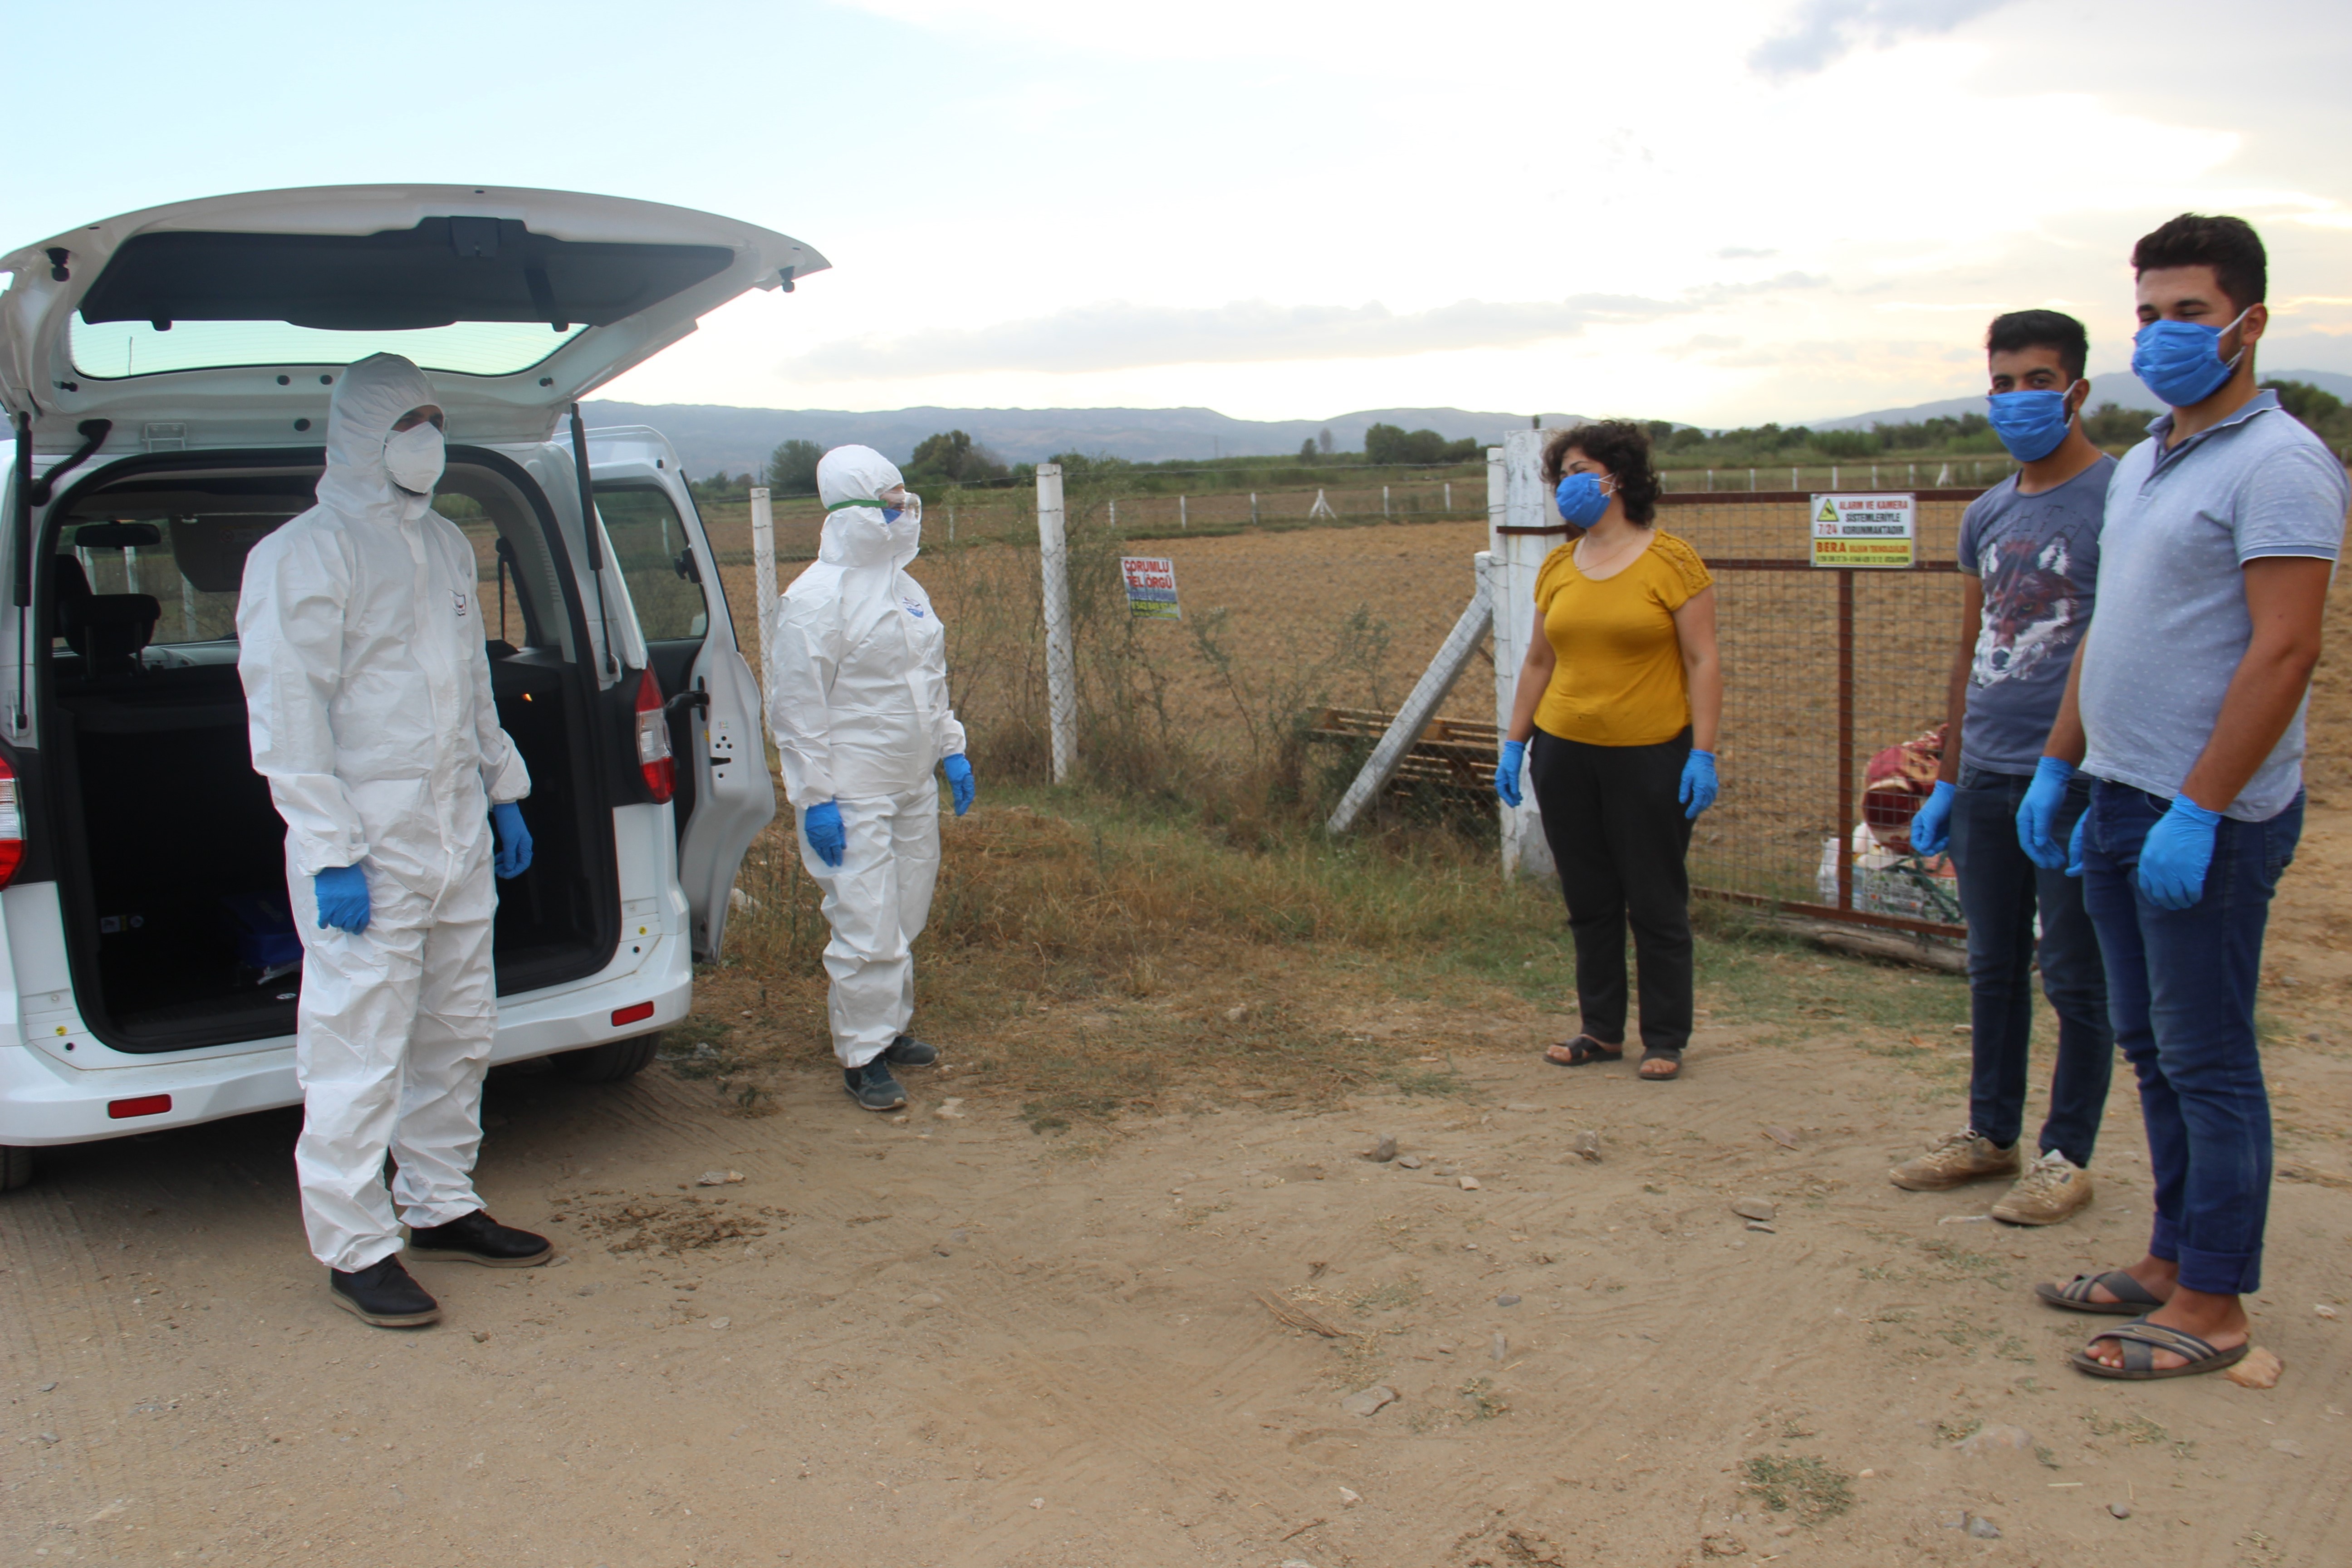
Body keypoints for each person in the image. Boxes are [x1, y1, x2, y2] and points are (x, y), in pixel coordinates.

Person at [2020, 214, 2347, 1379]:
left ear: (2250, 323)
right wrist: (2064, 759)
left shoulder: (2283, 465)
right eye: (2149, 313)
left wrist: (2202, 807)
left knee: (2210, 1059)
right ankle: (2170, 1254)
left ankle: (2214, 1305)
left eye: (2190, 313)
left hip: (2199, 816)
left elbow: (2285, 652)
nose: (2164, 333)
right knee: (2152, 1045)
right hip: (2115, 794)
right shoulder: (2151, 460)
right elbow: (2114, 631)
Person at [238, 353, 550, 1331]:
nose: (431, 435)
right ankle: (355, 1244)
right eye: (412, 419)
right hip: (367, 834)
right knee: (358, 1044)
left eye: (437, 417)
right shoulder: (304, 554)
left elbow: (471, 682)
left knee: (458, 1025)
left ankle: (442, 1200)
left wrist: (503, 790)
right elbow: (289, 713)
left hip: (453, 818)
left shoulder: (447, 545)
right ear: (365, 433)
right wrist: (329, 847)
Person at [1891, 311, 2114, 1225]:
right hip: (1985, 774)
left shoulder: (2118, 497)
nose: (2018, 398)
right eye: (2004, 382)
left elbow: (2118, 642)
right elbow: (1971, 644)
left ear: (2077, 391)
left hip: (2076, 775)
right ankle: (1991, 1136)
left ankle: (2067, 1155)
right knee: (1991, 965)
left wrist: (2072, 769)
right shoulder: (1987, 512)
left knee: (2074, 972)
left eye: (2038, 380)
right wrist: (1949, 770)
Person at [1495, 420, 1723, 1082]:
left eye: (1580, 470)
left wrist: (1701, 753)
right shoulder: (1559, 566)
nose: (1568, 483)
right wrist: (1516, 744)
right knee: (1590, 898)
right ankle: (1600, 1030)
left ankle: (1665, 1037)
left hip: (1650, 756)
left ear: (1618, 477)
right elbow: (1539, 661)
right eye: (1561, 473)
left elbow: (1703, 661)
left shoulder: (1672, 562)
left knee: (1654, 899)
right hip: (1565, 754)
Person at [765, 445, 975, 1112]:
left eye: (905, 497)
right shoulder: (814, 600)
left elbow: (928, 681)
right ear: (852, 507)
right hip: (850, 790)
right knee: (866, 920)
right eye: (889, 499)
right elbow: (796, 710)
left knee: (905, 908)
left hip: (911, 781)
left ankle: (889, 1029)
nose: (903, 509)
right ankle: (862, 1056)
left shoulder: (906, 589)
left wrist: (950, 749)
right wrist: (815, 797)